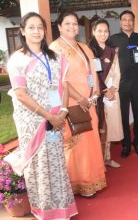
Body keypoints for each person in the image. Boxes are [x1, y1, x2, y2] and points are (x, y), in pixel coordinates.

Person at [6, 12, 77, 219]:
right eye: (31, 27)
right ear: (22, 31)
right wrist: (48, 116)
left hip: (55, 120)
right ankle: (45, 211)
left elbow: (63, 86)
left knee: (56, 161)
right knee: (39, 166)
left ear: (45, 30)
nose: (36, 31)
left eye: (40, 27)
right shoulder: (17, 59)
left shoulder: (55, 57)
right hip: (32, 121)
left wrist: (62, 112)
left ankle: (63, 208)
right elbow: (20, 94)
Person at [50, 11, 106, 197]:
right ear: (59, 26)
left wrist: (95, 92)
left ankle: (92, 179)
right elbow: (61, 81)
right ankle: (78, 183)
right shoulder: (55, 49)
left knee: (91, 140)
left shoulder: (84, 47)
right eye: (67, 24)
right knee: (76, 143)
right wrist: (80, 98)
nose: (72, 27)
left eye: (75, 24)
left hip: (89, 101)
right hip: (71, 103)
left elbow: (92, 72)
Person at [111, 10, 138, 157]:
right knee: (123, 116)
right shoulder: (113, 40)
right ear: (120, 23)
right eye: (124, 20)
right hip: (121, 84)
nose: (127, 22)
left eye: (130, 20)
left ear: (134, 22)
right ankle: (126, 144)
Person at [88, 19, 123, 168]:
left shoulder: (112, 50)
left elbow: (117, 72)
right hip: (96, 94)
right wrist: (100, 91)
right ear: (93, 32)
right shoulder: (89, 51)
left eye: (106, 31)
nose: (103, 34)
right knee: (98, 127)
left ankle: (107, 157)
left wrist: (113, 89)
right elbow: (90, 75)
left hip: (111, 94)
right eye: (100, 31)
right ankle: (97, 162)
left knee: (109, 127)